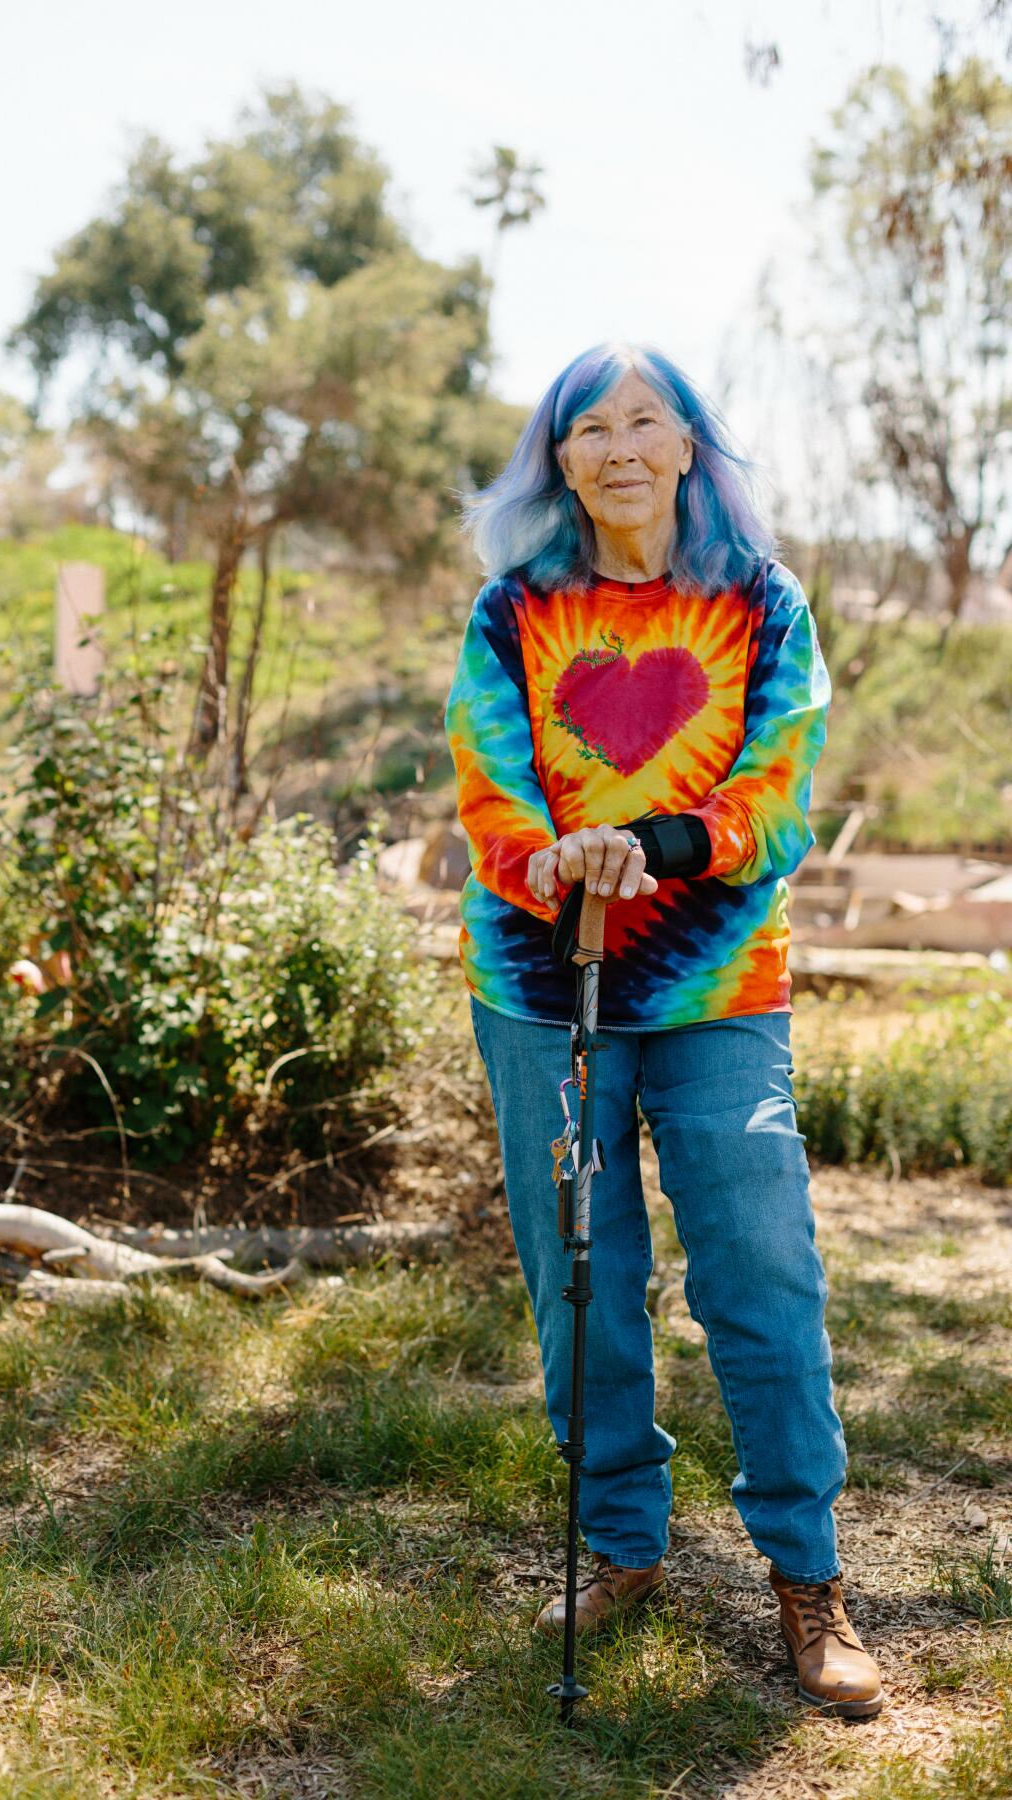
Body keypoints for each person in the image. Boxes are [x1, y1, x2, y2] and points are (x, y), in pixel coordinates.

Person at [444, 341, 884, 1721]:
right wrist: (557, 863)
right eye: (590, 426)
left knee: (761, 1271)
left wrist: (659, 840)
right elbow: (491, 789)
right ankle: (624, 1545)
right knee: (581, 1278)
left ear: (694, 445)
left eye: (648, 421)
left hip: (715, 988)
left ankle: (807, 1573)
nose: (620, 446)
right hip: (538, 983)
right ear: (558, 459)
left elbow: (782, 789)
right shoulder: (513, 611)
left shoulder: (763, 604)